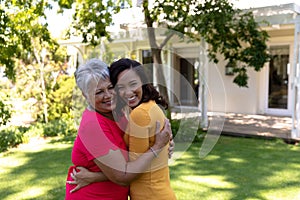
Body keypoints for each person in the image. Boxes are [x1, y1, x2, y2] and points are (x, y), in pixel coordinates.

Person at [69, 58, 176, 200]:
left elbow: (130, 155)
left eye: (110, 87)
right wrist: (157, 146)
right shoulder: (92, 126)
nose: (108, 95)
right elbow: (122, 176)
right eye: (99, 92)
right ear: (85, 95)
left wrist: (164, 142)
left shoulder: (118, 114)